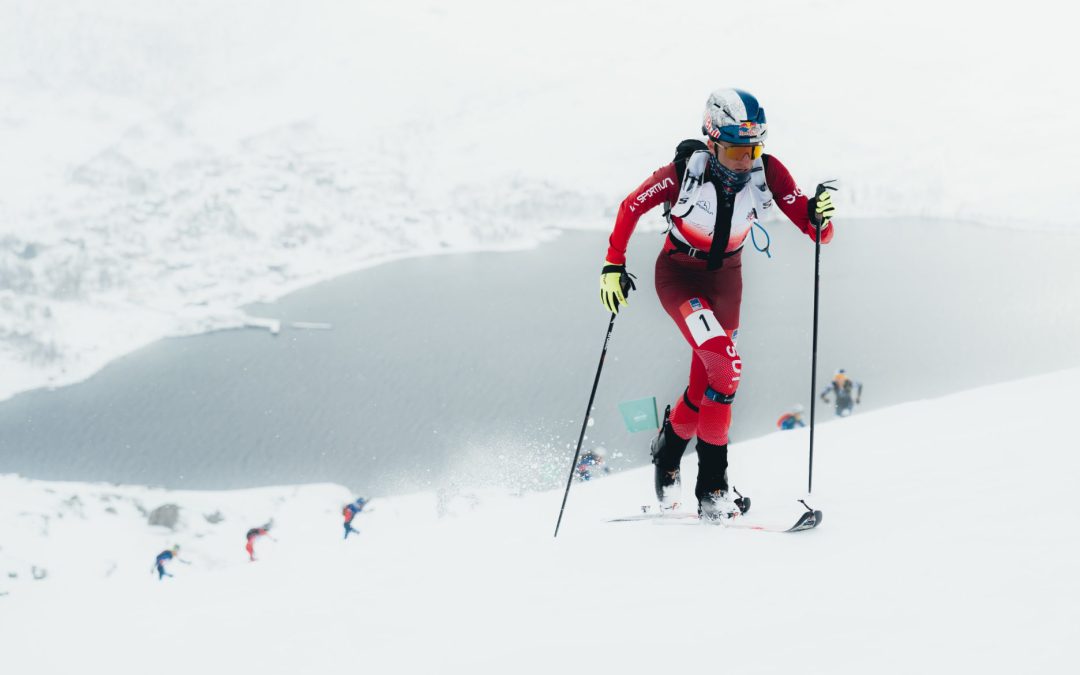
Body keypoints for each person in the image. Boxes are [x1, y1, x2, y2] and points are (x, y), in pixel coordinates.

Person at [600, 88, 838, 521]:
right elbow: (629, 207)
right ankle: (712, 490)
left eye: (753, 149)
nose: (745, 161)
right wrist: (613, 265)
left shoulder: (768, 172)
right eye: (733, 151)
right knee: (726, 369)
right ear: (711, 143)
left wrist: (821, 218)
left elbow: (814, 229)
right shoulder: (681, 173)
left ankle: (666, 454)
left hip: (727, 283)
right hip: (679, 277)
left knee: (705, 387)